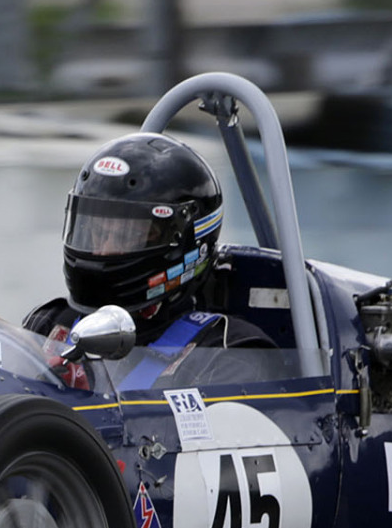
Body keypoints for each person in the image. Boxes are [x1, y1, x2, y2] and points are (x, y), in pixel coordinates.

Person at [25, 133, 273, 389]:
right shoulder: (50, 324)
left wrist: (83, 398)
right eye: (97, 232)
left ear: (183, 242)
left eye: (126, 236)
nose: (104, 250)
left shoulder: (228, 353)